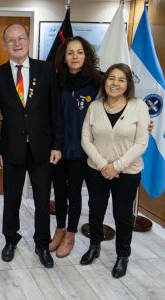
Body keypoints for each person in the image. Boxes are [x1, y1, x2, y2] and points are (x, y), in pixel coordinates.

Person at [0, 24, 63, 268]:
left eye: (20, 38)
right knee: (11, 198)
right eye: (11, 40)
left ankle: (42, 244)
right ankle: (11, 239)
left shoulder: (46, 69)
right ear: (5, 44)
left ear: (28, 40)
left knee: (42, 199)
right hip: (11, 149)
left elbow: (56, 111)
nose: (16, 43)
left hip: (42, 148)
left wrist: (57, 145)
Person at [80, 63, 150, 279]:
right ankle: (95, 246)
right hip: (97, 169)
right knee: (96, 210)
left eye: (121, 79)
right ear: (105, 81)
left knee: (122, 215)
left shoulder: (138, 107)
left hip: (127, 172)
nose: (115, 83)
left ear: (128, 84)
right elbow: (85, 139)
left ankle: (122, 255)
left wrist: (116, 167)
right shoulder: (95, 106)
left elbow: (141, 143)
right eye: (111, 78)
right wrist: (103, 165)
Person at [49, 37, 102, 257]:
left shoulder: (97, 81)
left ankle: (71, 234)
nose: (75, 57)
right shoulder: (56, 80)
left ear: (86, 55)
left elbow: (119, 102)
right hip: (58, 148)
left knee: (74, 193)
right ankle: (60, 230)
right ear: (64, 56)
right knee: (59, 192)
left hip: (83, 150)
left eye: (79, 52)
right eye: (70, 52)